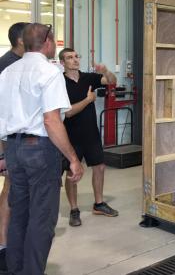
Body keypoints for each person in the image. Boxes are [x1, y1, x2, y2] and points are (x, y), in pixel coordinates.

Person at [0, 23, 84, 275]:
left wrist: (4, 152)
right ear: (47, 42)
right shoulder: (49, 73)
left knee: (19, 214)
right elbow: (52, 121)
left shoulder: (7, 72)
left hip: (14, 149)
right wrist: (73, 159)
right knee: (42, 219)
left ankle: (15, 269)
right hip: (39, 150)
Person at [59, 47, 118, 227]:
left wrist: (105, 71)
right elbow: (67, 113)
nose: (75, 60)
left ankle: (99, 203)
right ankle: (74, 210)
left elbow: (111, 81)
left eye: (77, 56)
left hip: (91, 133)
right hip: (70, 136)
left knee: (99, 167)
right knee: (72, 173)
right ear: (63, 63)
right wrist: (88, 100)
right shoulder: (59, 82)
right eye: (70, 57)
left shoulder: (89, 78)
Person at [0, 22, 28, 271]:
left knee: (13, 191)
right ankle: (4, 245)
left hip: (14, 141)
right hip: (9, 141)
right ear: (21, 40)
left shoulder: (19, 63)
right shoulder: (8, 65)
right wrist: (3, 153)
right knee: (9, 191)